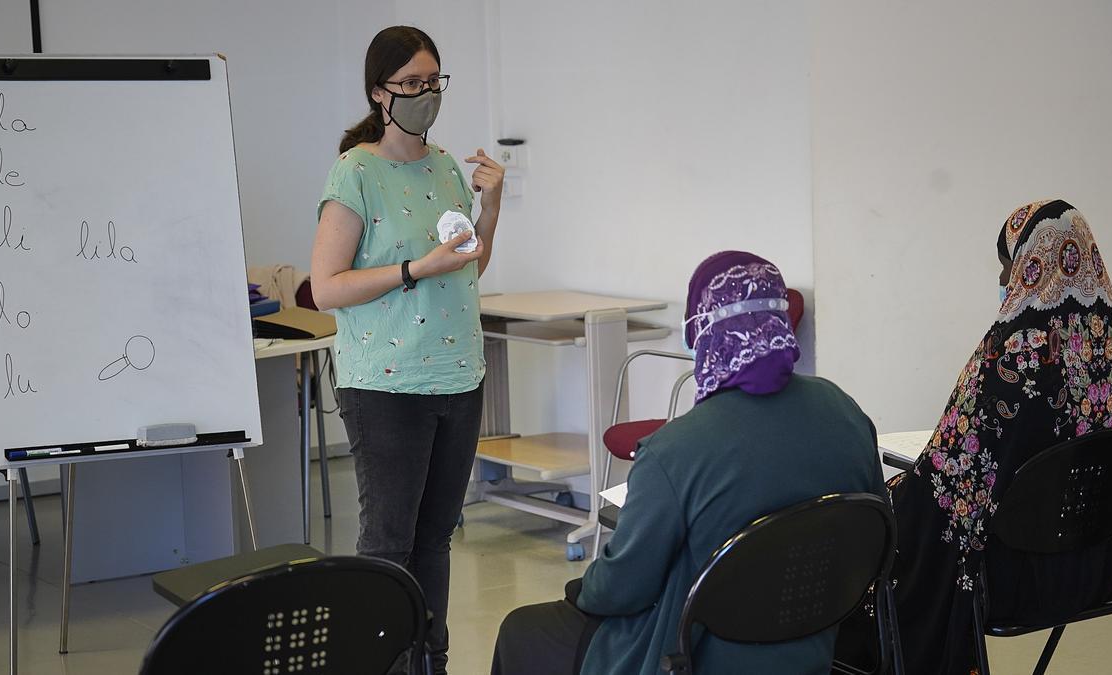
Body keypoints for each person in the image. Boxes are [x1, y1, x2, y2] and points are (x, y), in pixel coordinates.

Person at [491, 251, 887, 675]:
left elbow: (622, 589)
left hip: (697, 655)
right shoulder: (844, 411)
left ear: (704, 332)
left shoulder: (676, 450)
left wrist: (584, 589)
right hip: (818, 642)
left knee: (522, 629)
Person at [837, 199, 1112, 674]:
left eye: (1007, 265)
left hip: (1013, 580)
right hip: (1101, 566)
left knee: (884, 537)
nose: (1001, 282)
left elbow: (949, 484)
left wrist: (889, 503)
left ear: (1031, 267)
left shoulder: (1009, 359)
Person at [309, 25, 505, 673]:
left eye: (433, 81)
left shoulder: (447, 166)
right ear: (379, 92)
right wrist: (414, 269)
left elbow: (469, 269)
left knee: (435, 540)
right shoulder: (356, 171)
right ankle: (384, 663)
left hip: (458, 375)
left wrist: (492, 202)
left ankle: (431, 662)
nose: (426, 94)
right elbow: (327, 288)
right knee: (390, 544)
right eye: (411, 84)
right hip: (386, 386)